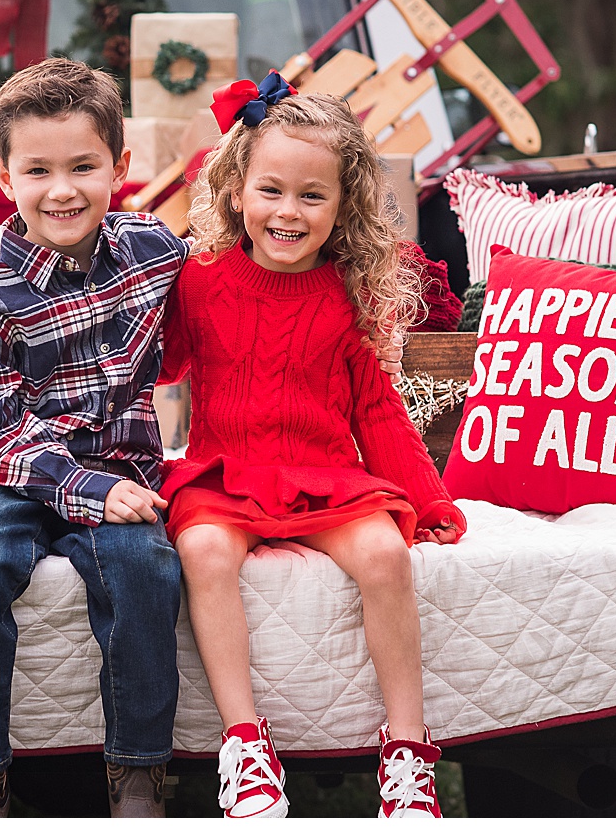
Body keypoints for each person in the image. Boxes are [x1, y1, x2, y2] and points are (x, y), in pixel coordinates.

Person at [159, 75, 466, 819]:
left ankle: (407, 752)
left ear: (342, 207)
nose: (287, 212)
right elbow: (158, 366)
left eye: (311, 196)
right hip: (225, 475)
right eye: (270, 190)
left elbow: (379, 412)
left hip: (324, 474)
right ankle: (246, 747)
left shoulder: (345, 293)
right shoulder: (197, 281)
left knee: (386, 556)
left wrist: (429, 499)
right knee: (202, 553)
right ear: (236, 191)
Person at [0, 58, 188, 818]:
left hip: (119, 465)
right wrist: (94, 492)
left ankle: (139, 771)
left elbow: (233, 278)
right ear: (5, 176)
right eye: (39, 170)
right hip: (5, 475)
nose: (62, 188)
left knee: (145, 566)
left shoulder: (154, 254)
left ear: (120, 167)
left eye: (83, 166)